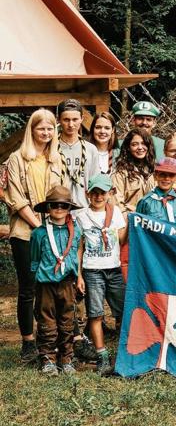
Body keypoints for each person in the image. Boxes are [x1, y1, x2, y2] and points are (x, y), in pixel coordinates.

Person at [4, 108, 67, 363]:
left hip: (52, 229)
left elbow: (61, 194)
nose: (46, 132)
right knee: (28, 288)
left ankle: (48, 338)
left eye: (50, 128)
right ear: (32, 130)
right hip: (25, 232)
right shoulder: (17, 158)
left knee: (49, 286)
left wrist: (53, 223)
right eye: (41, 128)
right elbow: (15, 197)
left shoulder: (56, 159)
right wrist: (38, 224)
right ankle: (28, 342)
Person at [74, 174, 126, 375]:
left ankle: (124, 352)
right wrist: (78, 275)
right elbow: (79, 247)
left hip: (113, 268)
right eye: (94, 193)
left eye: (102, 193)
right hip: (92, 270)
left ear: (109, 193)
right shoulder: (82, 216)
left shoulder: (116, 213)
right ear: (88, 194)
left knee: (121, 311)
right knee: (95, 313)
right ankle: (102, 355)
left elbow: (121, 240)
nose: (98, 196)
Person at [30, 186, 83, 374]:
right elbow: (35, 260)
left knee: (67, 319)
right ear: (48, 208)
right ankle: (47, 359)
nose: (59, 209)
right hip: (45, 284)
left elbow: (76, 254)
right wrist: (35, 280)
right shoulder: (39, 233)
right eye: (54, 205)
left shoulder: (75, 231)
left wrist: (79, 278)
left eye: (63, 205)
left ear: (69, 208)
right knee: (46, 320)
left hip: (67, 282)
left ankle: (66, 357)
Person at [111, 129, 155, 280]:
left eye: (143, 143)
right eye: (135, 144)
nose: (140, 147)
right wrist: (128, 221)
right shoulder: (121, 172)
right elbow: (118, 203)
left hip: (150, 226)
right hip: (129, 225)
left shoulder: (154, 170)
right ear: (128, 148)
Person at [55, 99, 101, 209]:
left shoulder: (90, 149)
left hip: (84, 209)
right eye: (66, 120)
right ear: (58, 120)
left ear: (81, 119)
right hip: (58, 208)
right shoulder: (51, 148)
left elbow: (95, 183)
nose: (71, 124)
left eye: (75, 119)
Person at [136, 158, 176, 225]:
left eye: (171, 175)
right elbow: (139, 227)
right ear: (155, 176)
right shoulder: (145, 202)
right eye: (162, 174)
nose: (167, 178)